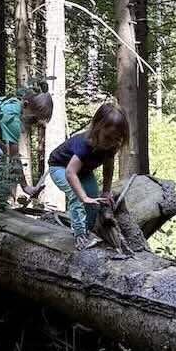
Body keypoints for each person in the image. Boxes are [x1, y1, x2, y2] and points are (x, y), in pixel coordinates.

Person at [48, 103, 130, 249]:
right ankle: (80, 235)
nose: (111, 142)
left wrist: (106, 191)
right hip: (60, 167)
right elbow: (70, 172)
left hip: (84, 171)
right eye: (108, 137)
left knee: (94, 200)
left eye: (117, 139)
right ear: (98, 128)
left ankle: (89, 230)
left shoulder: (112, 145)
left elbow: (108, 167)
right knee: (77, 196)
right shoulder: (85, 144)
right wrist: (83, 197)